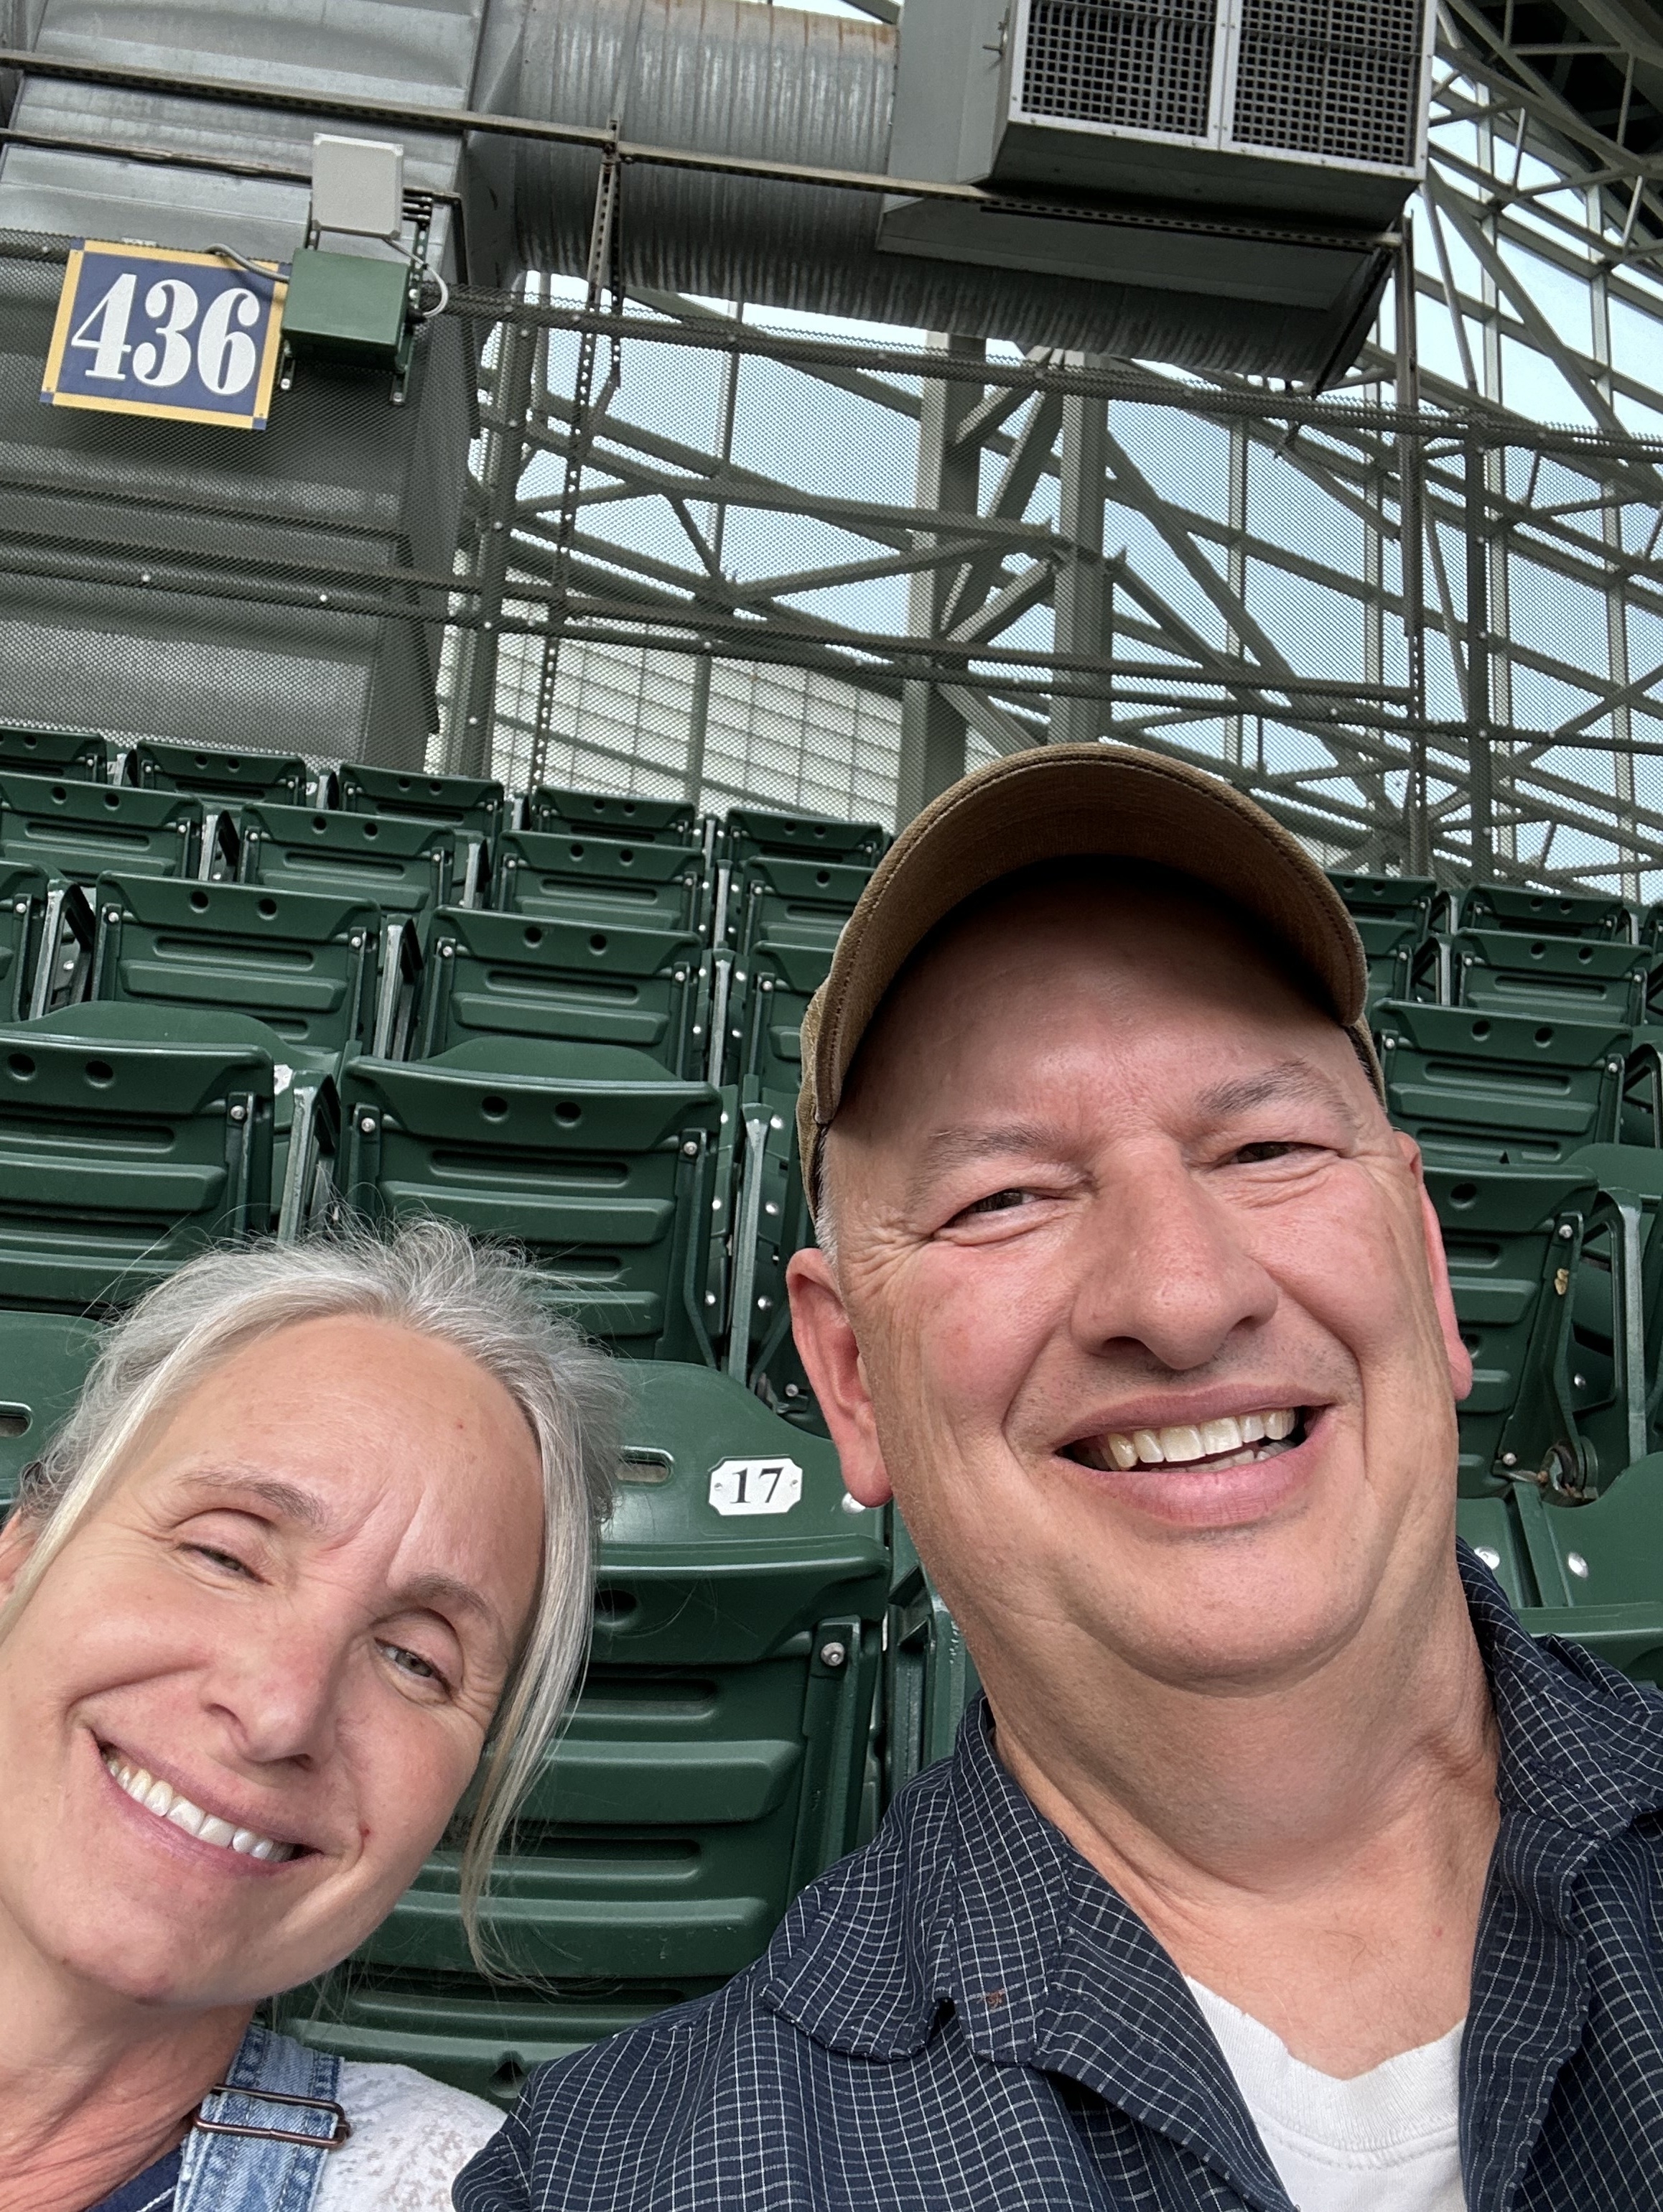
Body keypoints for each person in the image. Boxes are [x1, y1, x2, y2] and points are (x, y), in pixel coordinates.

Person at [458, 743, 1663, 2212]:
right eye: (1005, 1197)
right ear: (853, 1380)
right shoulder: (615, 2182)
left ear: (1423, 1261)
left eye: (1265, 1146)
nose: (1180, 1294)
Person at [0, 1217, 624, 2212]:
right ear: (20, 1558)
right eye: (223, 1555)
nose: (281, 1711)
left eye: (416, 1659)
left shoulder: (468, 2192)